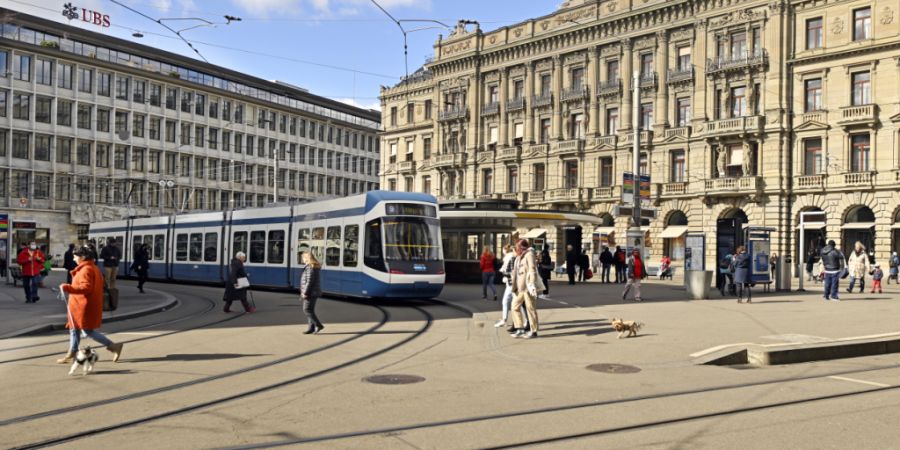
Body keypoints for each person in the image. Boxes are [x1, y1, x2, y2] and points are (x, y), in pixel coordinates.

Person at [56, 245, 124, 364]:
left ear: (82, 257)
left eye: (75, 256)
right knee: (74, 329)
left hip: (82, 306)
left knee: (87, 331)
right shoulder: (92, 267)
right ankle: (72, 353)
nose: (73, 259)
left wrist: (67, 287)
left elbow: (86, 288)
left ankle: (113, 346)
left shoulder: (86, 269)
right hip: (82, 305)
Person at [510, 239, 541, 339]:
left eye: (517, 247)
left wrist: (532, 283)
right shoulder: (519, 257)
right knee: (514, 306)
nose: (516, 249)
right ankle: (520, 328)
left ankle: (534, 331)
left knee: (530, 308)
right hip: (520, 288)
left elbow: (532, 269)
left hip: (527, 287)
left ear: (521, 247)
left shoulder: (529, 254)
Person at [299, 252, 324, 334]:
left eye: (303, 258)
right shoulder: (313, 266)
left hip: (311, 292)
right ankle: (311, 328)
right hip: (313, 292)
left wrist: (305, 292)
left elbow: (309, 281)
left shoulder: (310, 267)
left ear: (306, 258)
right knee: (310, 310)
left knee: (306, 309)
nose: (302, 259)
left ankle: (318, 325)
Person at [495, 244, 518, 328]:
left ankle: (506, 320)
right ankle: (523, 322)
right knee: (516, 303)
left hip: (511, 284)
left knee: (508, 302)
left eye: (503, 250)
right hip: (511, 283)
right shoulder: (510, 257)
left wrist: (504, 274)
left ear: (506, 250)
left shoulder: (510, 258)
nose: (502, 251)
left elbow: (512, 272)